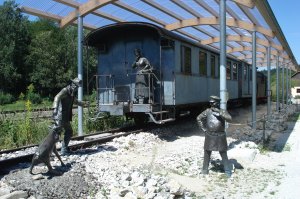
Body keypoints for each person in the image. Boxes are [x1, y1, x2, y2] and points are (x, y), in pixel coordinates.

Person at [196, 95, 233, 177]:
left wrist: (220, 113)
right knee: (207, 153)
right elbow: (199, 118)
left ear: (217, 103)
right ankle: (204, 170)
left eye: (213, 103)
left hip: (220, 136)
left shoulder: (222, 111)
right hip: (209, 135)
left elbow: (229, 118)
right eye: (211, 103)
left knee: (223, 153)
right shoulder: (207, 111)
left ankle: (228, 171)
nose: (211, 104)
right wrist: (204, 129)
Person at [52, 77, 88, 155]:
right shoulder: (65, 90)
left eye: (78, 87)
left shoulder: (71, 93)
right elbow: (57, 97)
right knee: (55, 134)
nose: (77, 88)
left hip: (66, 117)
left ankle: (64, 150)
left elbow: (75, 101)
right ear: (72, 84)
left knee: (69, 131)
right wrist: (55, 109)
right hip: (60, 116)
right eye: (76, 86)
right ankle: (49, 152)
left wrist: (84, 103)